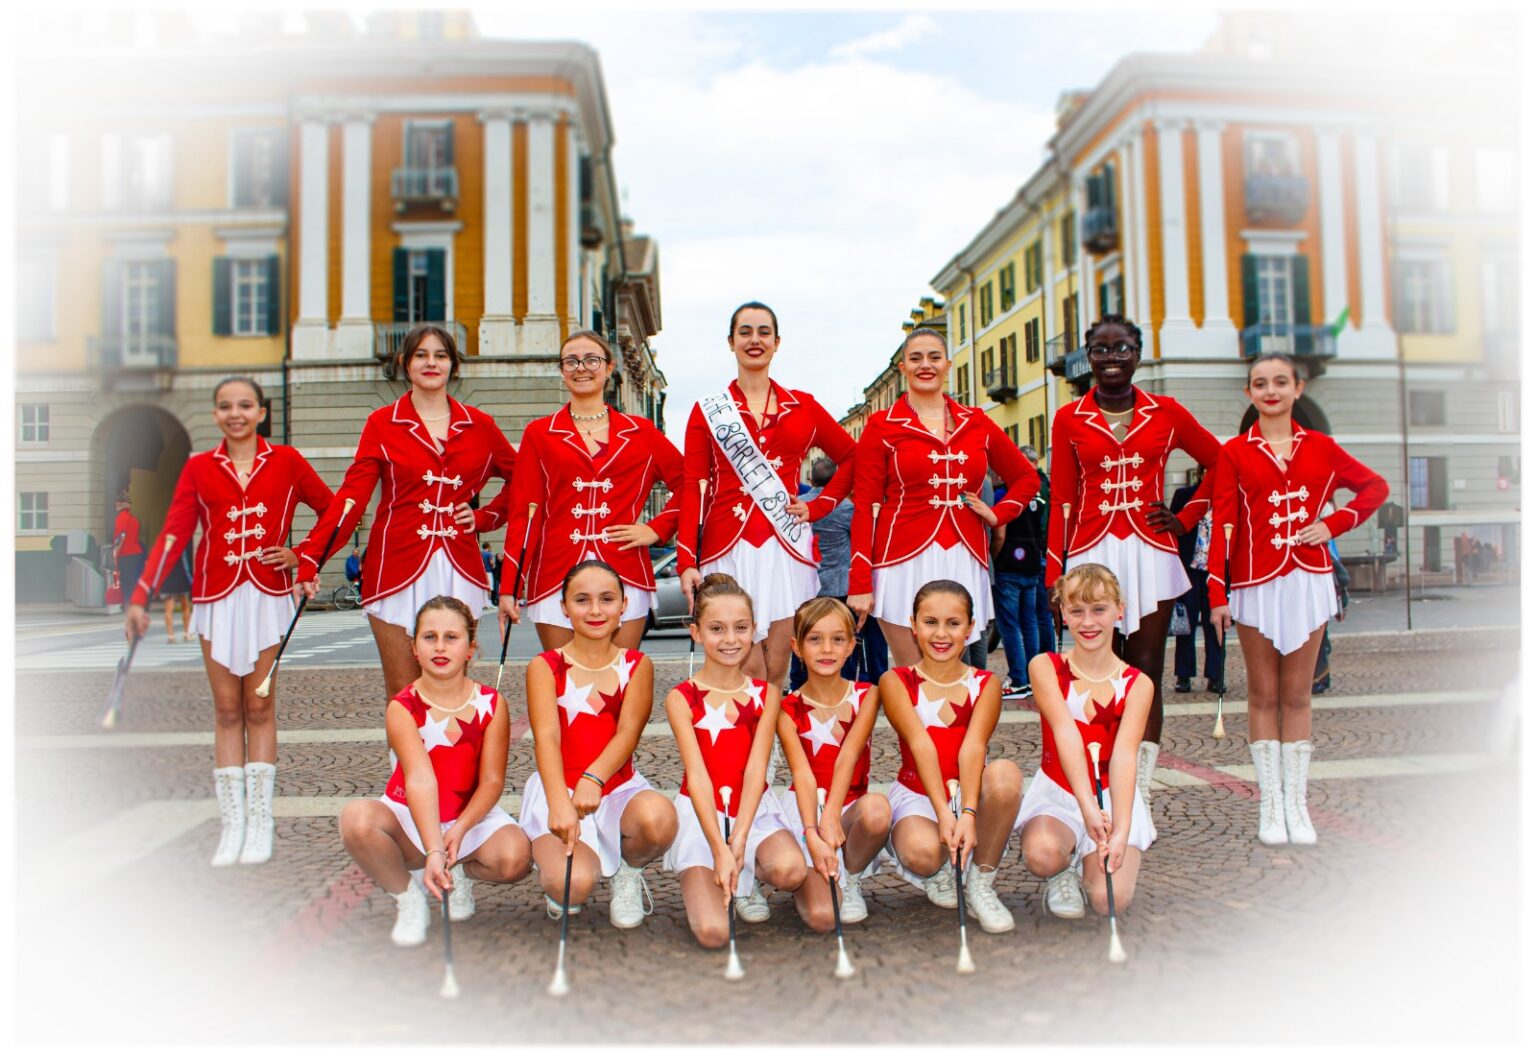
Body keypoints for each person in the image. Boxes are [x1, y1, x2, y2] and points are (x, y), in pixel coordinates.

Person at [124, 377, 334, 866]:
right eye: (224, 406)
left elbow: (333, 511)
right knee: (225, 709)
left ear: (262, 411)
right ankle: (232, 824)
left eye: (244, 405)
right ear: (215, 414)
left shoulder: (287, 461)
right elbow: (174, 533)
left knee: (259, 707)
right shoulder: (199, 467)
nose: (234, 413)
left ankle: (260, 822)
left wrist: (302, 556)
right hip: (216, 597)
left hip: (266, 596)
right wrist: (140, 595)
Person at [1044, 313, 1222, 828]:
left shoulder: (1167, 412)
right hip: (1091, 551)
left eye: (1121, 348)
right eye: (1101, 350)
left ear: (1137, 355)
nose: (1111, 358)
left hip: (1150, 552)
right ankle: (1099, 787)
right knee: (1093, 672)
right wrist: (1055, 575)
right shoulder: (1069, 417)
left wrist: (1186, 517)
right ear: (1088, 357)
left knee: (1144, 672)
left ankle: (1137, 796)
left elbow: (1221, 462)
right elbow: (1061, 499)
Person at [1209, 353, 1388, 846]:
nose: (1270, 391)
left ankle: (1297, 804)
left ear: (1297, 388)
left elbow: (1375, 488)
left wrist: (1333, 524)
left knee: (1298, 694)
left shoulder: (1322, 448)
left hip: (1309, 579)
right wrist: (1217, 591)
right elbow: (1223, 523)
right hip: (1254, 582)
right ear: (1249, 392)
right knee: (1263, 694)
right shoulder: (1234, 453)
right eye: (1260, 383)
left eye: (1280, 382)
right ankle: (1270, 805)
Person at [293, 325, 517, 701]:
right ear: (405, 362)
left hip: (458, 568)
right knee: (403, 692)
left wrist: (485, 518)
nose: (431, 363)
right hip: (394, 567)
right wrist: (311, 559)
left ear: (453, 364)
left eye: (441, 356)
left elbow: (524, 481)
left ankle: (452, 743)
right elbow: (352, 497)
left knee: (450, 687)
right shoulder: (382, 423)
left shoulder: (481, 426)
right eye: (421, 355)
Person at [677, 302, 858, 691]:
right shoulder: (708, 411)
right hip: (727, 546)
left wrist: (819, 506)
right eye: (745, 332)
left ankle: (772, 731)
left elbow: (853, 458)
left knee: (776, 668)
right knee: (742, 666)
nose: (754, 340)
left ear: (777, 342)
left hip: (784, 548)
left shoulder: (804, 406)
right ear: (731, 342)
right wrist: (686, 560)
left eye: (763, 332)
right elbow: (693, 485)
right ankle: (744, 731)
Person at [338, 597, 531, 946]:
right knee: (357, 820)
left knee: (515, 858)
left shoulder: (492, 703)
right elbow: (420, 778)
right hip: (411, 814)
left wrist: (461, 828)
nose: (440, 647)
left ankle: (459, 874)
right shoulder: (402, 706)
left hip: (468, 816)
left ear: (470, 648)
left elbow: (492, 781)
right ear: (414, 648)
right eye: (429, 637)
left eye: (451, 637)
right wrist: (433, 850)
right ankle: (407, 897)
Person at [846, 328, 1039, 668]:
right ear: (903, 368)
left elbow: (1027, 478)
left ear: (948, 365)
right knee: (912, 676)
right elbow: (864, 506)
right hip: (900, 559)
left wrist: (998, 514)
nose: (926, 365)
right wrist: (860, 580)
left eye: (934, 357)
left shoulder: (977, 422)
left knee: (950, 673)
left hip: (963, 555)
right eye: (916, 358)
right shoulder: (881, 425)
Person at [482, 330, 682, 652]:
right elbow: (524, 514)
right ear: (562, 370)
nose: (581, 368)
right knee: (562, 675)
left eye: (591, 360)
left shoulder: (642, 432)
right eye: (571, 361)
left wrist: (656, 529)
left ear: (609, 367)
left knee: (621, 675)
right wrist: (509, 587)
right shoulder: (539, 434)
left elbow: (692, 484)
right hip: (555, 573)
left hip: (626, 569)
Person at [519, 560, 678, 929]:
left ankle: (628, 871)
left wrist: (594, 778)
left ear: (624, 605)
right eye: (582, 600)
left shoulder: (636, 664)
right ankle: (563, 868)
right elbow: (547, 737)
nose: (595, 610)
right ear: (564, 607)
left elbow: (628, 732)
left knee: (658, 820)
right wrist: (558, 801)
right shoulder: (545, 666)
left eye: (607, 599)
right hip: (559, 785)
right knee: (570, 886)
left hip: (617, 787)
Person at [662, 573, 804, 947]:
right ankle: (710, 870)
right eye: (717, 628)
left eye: (741, 628)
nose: (730, 639)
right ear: (696, 633)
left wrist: (738, 839)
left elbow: (757, 769)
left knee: (790, 871)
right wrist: (719, 846)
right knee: (714, 934)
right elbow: (697, 776)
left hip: (751, 810)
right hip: (703, 815)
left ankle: (748, 875)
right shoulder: (681, 698)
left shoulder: (766, 695)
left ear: (754, 631)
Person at [879, 580, 1023, 934]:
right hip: (918, 794)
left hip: (968, 791)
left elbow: (974, 747)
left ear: (970, 628)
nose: (941, 634)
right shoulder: (896, 681)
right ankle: (938, 866)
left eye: (953, 623)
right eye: (930, 622)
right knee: (921, 853)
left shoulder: (986, 683)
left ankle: (980, 882)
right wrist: (944, 814)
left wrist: (968, 813)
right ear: (913, 625)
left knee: (1005, 775)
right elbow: (920, 744)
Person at [1015, 563, 1155, 919]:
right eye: (1076, 611)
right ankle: (1061, 871)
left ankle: (1087, 864)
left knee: (1109, 901)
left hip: (1113, 793)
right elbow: (1066, 733)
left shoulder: (1138, 685)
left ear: (1119, 610)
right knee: (1043, 855)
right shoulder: (1045, 667)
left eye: (1099, 609)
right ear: (1063, 613)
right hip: (1060, 790)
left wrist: (1121, 829)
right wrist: (1087, 806)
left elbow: (1124, 755)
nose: (1088, 622)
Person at [777, 597, 890, 925]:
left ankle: (851, 877)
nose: (827, 649)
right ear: (797, 647)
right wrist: (814, 826)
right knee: (821, 916)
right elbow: (802, 773)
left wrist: (831, 815)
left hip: (850, 808)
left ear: (851, 645)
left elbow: (848, 756)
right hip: (806, 809)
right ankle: (801, 869)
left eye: (837, 639)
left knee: (878, 810)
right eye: (815, 639)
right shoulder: (786, 709)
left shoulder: (867, 695)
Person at [787, 457, 888, 689]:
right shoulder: (845, 508)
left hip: (806, 585)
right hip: (840, 585)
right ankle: (844, 686)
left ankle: (799, 684)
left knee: (805, 635)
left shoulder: (797, 505)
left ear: (811, 478)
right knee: (842, 639)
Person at [992, 444, 1053, 697]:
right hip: (1032, 562)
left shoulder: (1004, 494)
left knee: (1011, 625)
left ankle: (1019, 677)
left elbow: (999, 532)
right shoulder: (1035, 494)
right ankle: (1034, 674)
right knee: (1031, 622)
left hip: (1009, 564)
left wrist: (994, 558)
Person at [1169, 466, 1224, 694]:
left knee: (1216, 625)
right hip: (1189, 570)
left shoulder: (1225, 498)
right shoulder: (1184, 496)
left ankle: (1216, 676)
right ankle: (1183, 676)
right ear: (1201, 474)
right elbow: (1171, 531)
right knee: (1186, 624)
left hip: (1215, 571)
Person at [112, 489, 144, 615]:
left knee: (125, 580)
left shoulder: (121, 518)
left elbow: (121, 536)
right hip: (135, 553)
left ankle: (127, 603)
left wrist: (115, 552)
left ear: (119, 504)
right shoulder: (134, 519)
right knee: (132, 579)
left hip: (125, 553)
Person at [158, 547, 195, 643]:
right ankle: (187, 634)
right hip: (180, 577)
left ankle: (171, 636)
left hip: (167, 579)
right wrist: (191, 581)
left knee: (168, 608)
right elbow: (186, 567)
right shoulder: (181, 548)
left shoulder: (163, 548)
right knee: (185, 606)